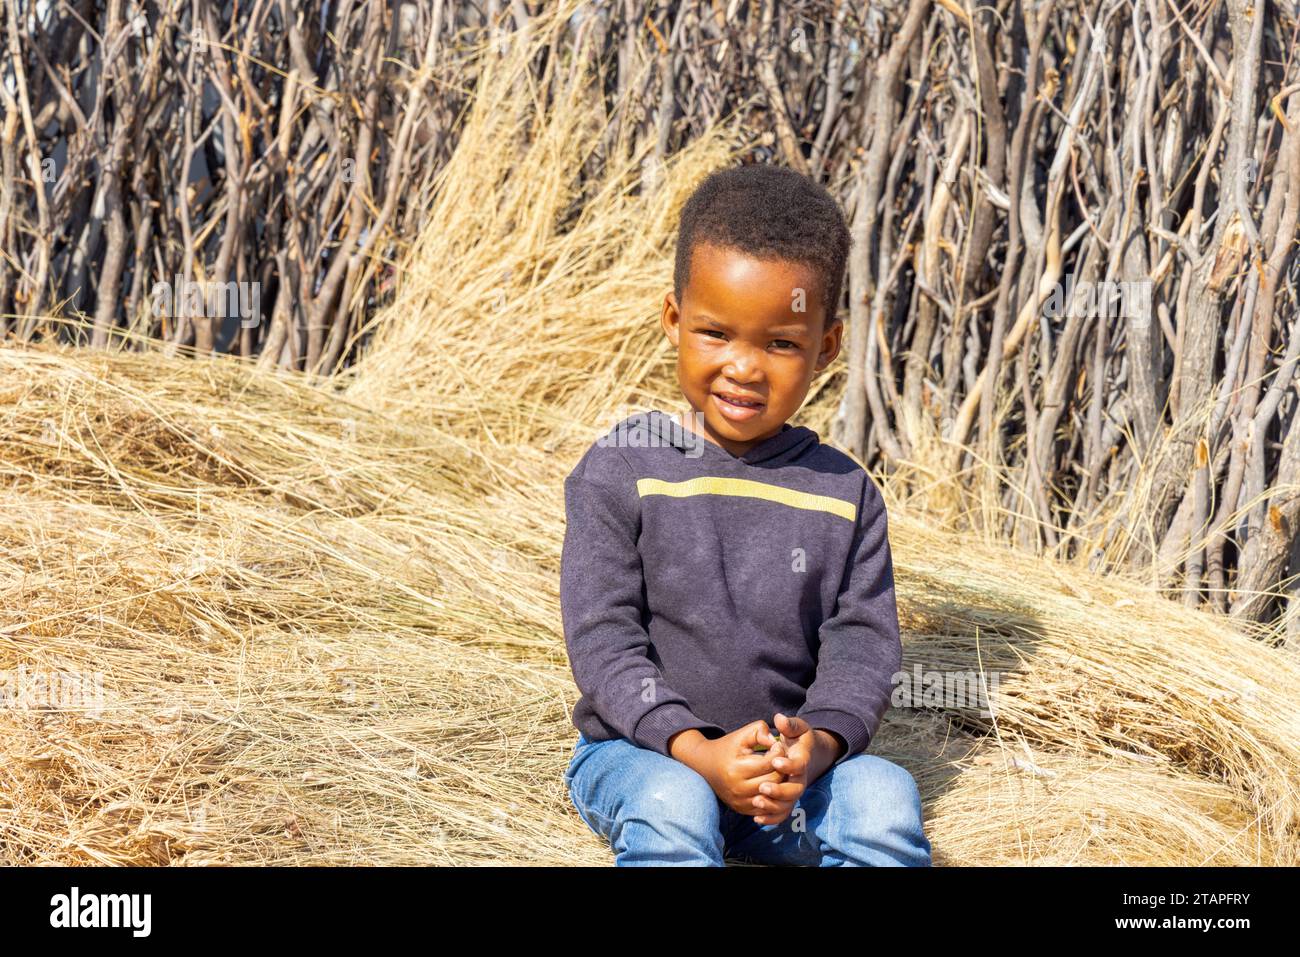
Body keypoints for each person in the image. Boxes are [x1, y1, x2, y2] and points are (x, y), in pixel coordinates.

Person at [559, 163, 932, 866]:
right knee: (676, 806)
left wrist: (816, 745)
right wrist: (695, 750)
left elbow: (862, 651)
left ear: (825, 347)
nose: (744, 367)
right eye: (716, 333)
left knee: (884, 795)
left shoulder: (846, 494)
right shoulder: (623, 468)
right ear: (674, 321)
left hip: (786, 784)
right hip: (643, 755)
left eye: (780, 342)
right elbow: (605, 642)